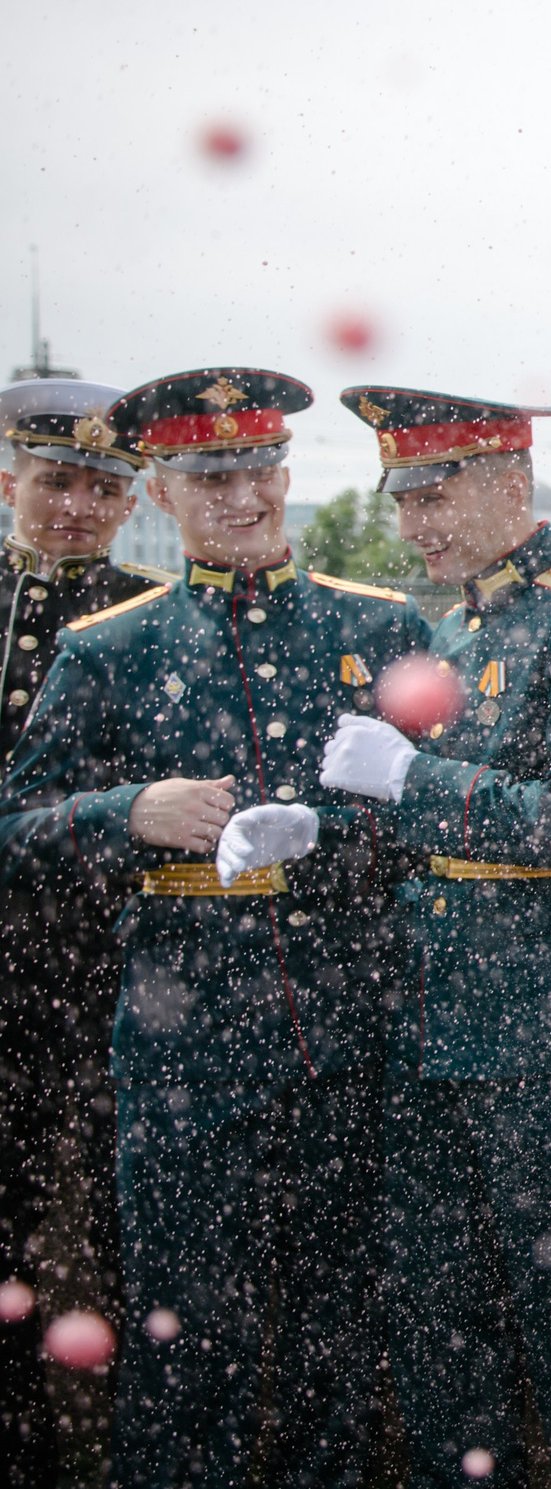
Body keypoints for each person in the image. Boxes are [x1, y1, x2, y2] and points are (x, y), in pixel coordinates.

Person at [0, 368, 431, 1487]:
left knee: (341, 1340)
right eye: (209, 479)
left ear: (287, 474)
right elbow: (15, 832)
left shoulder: (377, 627)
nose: (242, 499)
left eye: (256, 473)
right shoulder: (107, 647)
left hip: (347, 1039)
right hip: (181, 1050)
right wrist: (124, 815)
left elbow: (433, 821)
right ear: (162, 490)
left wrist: (328, 840)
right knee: (186, 1345)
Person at [320, 387, 551, 1489]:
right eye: (403, 498)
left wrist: (413, 777)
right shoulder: (443, 629)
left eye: (438, 493)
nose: (414, 522)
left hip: (550, 1024)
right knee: (436, 1325)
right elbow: (414, 823)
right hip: (428, 1017)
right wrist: (327, 827)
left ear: (512, 484)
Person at [0, 381, 157, 1483]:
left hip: (118, 976)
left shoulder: (153, 620)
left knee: (131, 1240)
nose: (75, 507)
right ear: (10, 482)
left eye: (102, 487)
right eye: (57, 481)